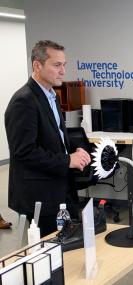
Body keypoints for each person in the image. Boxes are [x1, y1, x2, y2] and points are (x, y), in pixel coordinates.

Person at [5, 40, 91, 237]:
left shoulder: (52, 96)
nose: (62, 71)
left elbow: (54, 137)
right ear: (37, 65)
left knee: (68, 253)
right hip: (40, 197)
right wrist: (68, 160)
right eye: (56, 65)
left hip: (60, 188)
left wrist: (74, 151)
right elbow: (25, 152)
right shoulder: (24, 101)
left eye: (64, 65)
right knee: (50, 259)